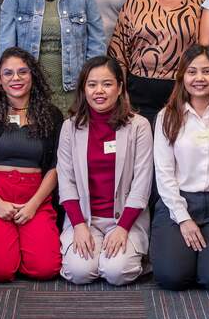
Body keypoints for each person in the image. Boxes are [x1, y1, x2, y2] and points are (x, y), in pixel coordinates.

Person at [151, 45, 209, 291]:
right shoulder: (167, 116)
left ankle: (207, 260)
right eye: (192, 72)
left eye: (206, 71)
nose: (199, 78)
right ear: (182, 76)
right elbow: (164, 173)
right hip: (179, 203)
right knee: (172, 277)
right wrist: (183, 218)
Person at [0, 47, 63, 282]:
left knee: (46, 269)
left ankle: (20, 248)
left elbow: (55, 166)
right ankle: (10, 251)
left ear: (32, 75)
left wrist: (33, 205)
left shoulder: (52, 115)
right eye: (8, 73)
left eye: (22, 72)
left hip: (35, 196)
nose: (15, 78)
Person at [57, 56, 153, 286]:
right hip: (85, 219)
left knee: (117, 273)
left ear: (119, 88)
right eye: (92, 84)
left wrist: (123, 228)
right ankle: (98, 257)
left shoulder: (139, 126)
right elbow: (66, 181)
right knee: (79, 273)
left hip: (125, 218)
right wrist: (78, 225)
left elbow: (142, 183)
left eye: (107, 84)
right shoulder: (70, 127)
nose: (99, 91)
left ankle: (112, 258)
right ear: (84, 89)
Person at [109, 0, 204, 127]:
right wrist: (121, 93)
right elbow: (118, 49)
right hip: (137, 93)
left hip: (183, 92)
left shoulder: (201, 1)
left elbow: (206, 52)